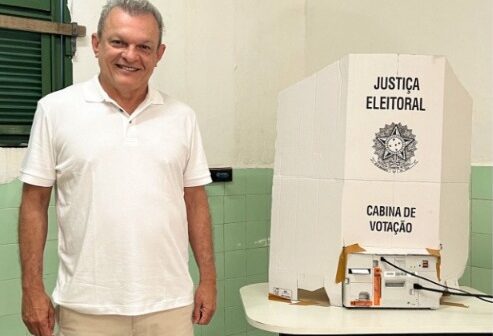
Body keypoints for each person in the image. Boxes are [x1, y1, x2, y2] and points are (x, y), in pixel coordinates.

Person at [18, 0, 216, 335]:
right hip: (87, 308)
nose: (130, 55)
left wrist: (208, 280)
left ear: (159, 54)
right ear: (96, 44)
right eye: (118, 42)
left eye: (144, 46)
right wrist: (31, 289)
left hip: (168, 306)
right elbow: (33, 204)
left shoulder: (182, 117)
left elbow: (195, 202)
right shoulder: (55, 110)